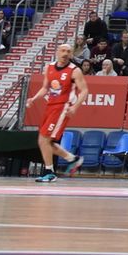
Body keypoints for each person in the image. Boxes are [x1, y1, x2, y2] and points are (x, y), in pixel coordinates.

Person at [25, 41, 86, 181]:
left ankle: (50, 172)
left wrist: (75, 106)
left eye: (68, 51)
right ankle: (72, 159)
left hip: (62, 107)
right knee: (46, 142)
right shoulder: (50, 67)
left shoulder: (74, 70)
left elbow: (84, 91)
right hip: (50, 105)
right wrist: (34, 98)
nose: (65, 54)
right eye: (63, 51)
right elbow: (45, 88)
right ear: (57, 52)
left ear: (71, 54)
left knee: (43, 140)